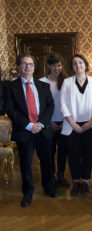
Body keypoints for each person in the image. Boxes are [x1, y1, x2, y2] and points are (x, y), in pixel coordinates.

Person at [5, 53, 59, 207]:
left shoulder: (44, 86)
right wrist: (29, 125)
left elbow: (50, 106)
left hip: (43, 130)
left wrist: (41, 123)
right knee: (26, 163)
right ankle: (28, 192)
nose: (28, 67)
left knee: (47, 161)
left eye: (31, 64)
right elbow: (10, 109)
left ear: (35, 67)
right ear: (18, 67)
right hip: (24, 131)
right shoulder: (10, 87)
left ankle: (49, 187)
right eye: (24, 64)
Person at [60, 54, 92, 196]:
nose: (78, 66)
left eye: (81, 62)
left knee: (88, 154)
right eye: (75, 63)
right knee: (73, 154)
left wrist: (89, 123)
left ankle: (86, 182)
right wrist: (73, 124)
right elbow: (63, 105)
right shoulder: (67, 82)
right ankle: (76, 181)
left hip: (90, 124)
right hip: (72, 124)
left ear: (85, 64)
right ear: (72, 67)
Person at [39, 53, 69, 187]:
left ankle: (61, 176)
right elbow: (40, 105)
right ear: (48, 65)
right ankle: (50, 177)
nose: (57, 68)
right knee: (49, 152)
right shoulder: (41, 82)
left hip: (65, 122)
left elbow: (70, 103)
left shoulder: (67, 81)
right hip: (48, 123)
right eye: (54, 65)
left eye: (59, 65)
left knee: (63, 152)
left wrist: (65, 120)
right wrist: (48, 121)